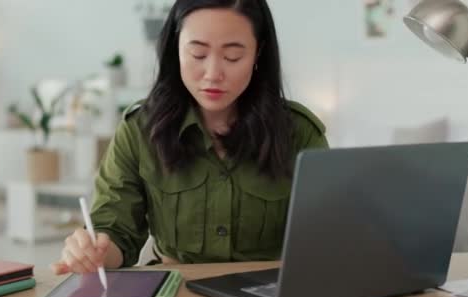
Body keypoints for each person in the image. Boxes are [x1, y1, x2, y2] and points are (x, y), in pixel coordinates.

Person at [52, 0, 328, 275]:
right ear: (175, 49)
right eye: (197, 54)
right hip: (176, 294)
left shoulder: (299, 133)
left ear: (259, 53)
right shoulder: (140, 130)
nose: (213, 74)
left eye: (233, 57)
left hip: (270, 295)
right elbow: (115, 230)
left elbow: (325, 236)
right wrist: (95, 252)